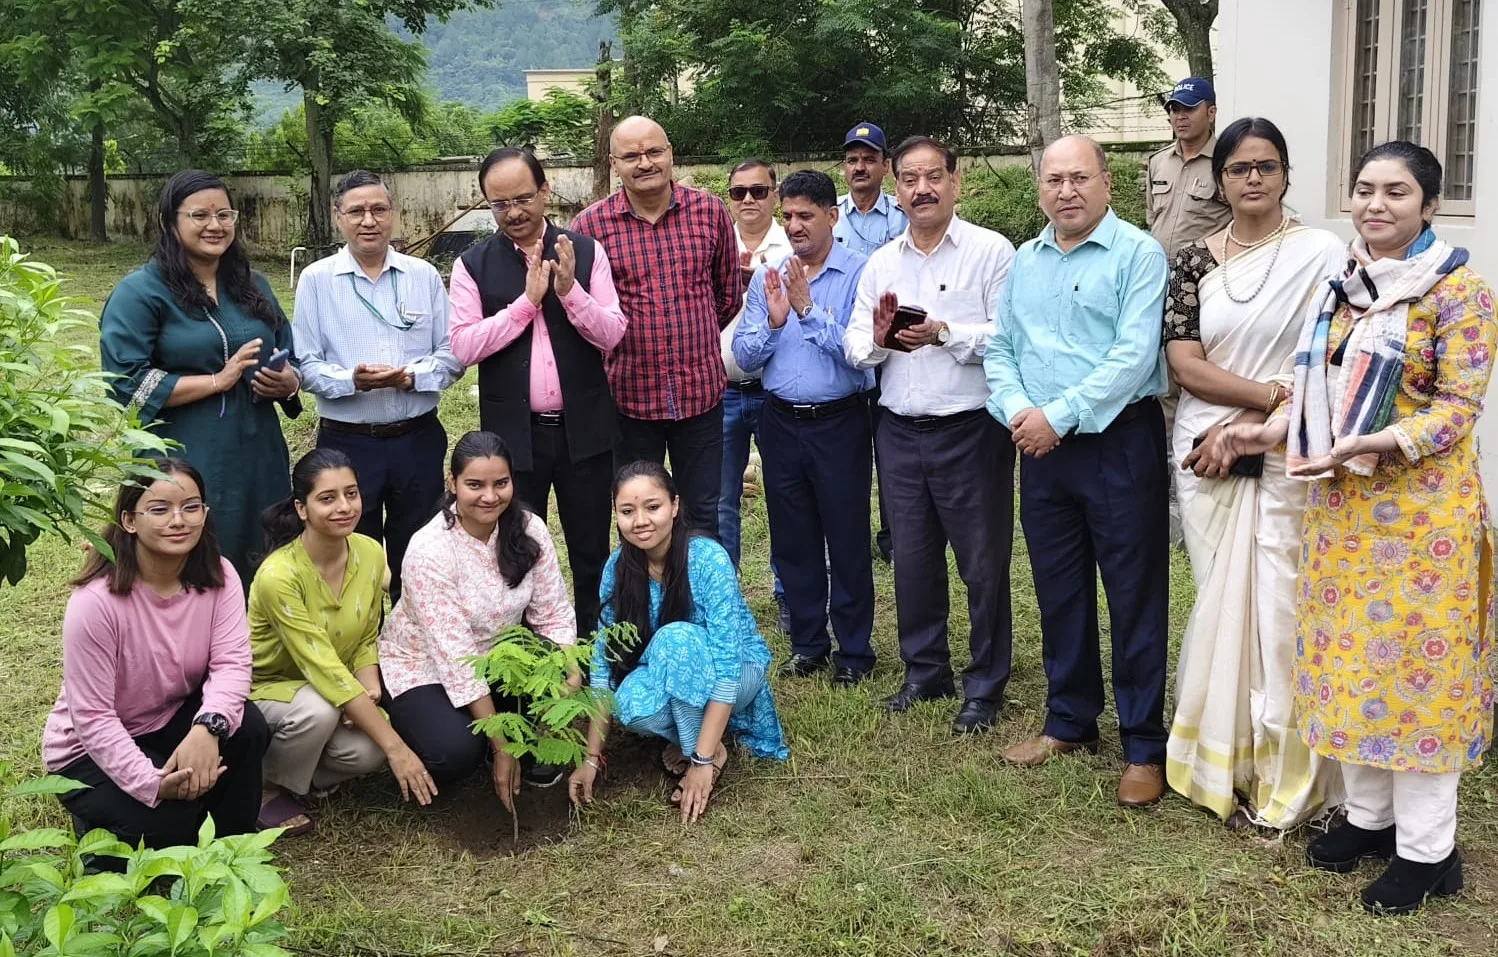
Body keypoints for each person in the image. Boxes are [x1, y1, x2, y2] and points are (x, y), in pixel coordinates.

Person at [1222, 142, 1495, 915]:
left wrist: (1381, 440)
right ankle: (1372, 818)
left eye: (1396, 192)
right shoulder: (1345, 286)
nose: (1376, 204)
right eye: (1366, 189)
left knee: (1418, 681)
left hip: (1424, 524)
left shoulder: (1459, 291)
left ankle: (1430, 851)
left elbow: (1458, 408)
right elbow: (1321, 386)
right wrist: (1271, 427)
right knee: (1352, 666)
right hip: (1344, 517)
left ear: (1429, 205)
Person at [1162, 117, 1347, 828]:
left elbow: (1333, 357)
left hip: (1289, 442)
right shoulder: (1192, 260)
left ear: (1286, 175)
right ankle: (1223, 760)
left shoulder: (1323, 254)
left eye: (1266, 166)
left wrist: (1263, 414)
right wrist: (1256, 403)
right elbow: (1185, 363)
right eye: (1239, 168)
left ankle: (1285, 767)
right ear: (1220, 180)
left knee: (1279, 607)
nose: (1253, 179)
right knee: (1219, 597)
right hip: (1204, 445)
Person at [986, 135, 1170, 806]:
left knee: (1134, 593)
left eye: (1079, 178)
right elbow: (1000, 347)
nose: (1066, 191)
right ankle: (1070, 719)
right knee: (1058, 587)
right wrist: (1019, 411)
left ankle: (1143, 743)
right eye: (1054, 179)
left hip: (1117, 441)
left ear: (1106, 183)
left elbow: (1132, 356)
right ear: (1040, 187)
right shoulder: (1025, 261)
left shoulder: (1138, 254)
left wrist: (1058, 415)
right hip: (1040, 447)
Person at [844, 136, 1016, 735]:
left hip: (972, 428)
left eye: (934, 177)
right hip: (898, 430)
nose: (922, 189)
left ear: (955, 181)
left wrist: (944, 333)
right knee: (912, 559)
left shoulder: (991, 252)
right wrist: (879, 341)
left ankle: (985, 682)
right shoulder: (881, 263)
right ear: (896, 189)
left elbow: (1009, 338)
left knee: (983, 564)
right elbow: (854, 343)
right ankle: (925, 671)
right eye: (910, 179)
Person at [42, 459, 269, 849]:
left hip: (166, 719)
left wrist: (208, 728)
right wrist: (152, 783)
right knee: (172, 824)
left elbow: (232, 663)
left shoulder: (220, 575)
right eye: (160, 509)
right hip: (86, 751)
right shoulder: (95, 602)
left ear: (205, 513)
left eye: (191, 507)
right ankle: (96, 825)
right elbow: (93, 717)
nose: (178, 520)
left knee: (247, 726)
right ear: (130, 520)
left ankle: (235, 847)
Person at [450, 148, 626, 638]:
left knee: (591, 549)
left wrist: (570, 293)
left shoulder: (585, 251)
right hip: (513, 437)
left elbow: (613, 333)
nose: (514, 212)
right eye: (500, 204)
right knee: (516, 551)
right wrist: (526, 305)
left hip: (583, 432)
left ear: (545, 191)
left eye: (524, 199)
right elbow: (463, 345)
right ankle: (527, 656)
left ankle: (594, 649)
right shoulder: (473, 265)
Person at [99, 170, 302, 585]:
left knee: (267, 556)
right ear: (169, 222)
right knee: (195, 559)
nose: (215, 225)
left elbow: (290, 350)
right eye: (200, 215)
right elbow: (125, 381)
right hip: (184, 455)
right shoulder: (141, 292)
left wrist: (289, 382)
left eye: (224, 214)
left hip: (259, 452)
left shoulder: (252, 285)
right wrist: (216, 381)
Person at [567, 461, 788, 823]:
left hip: (737, 671)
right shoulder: (617, 569)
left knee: (675, 639)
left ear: (675, 505)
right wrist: (591, 759)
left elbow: (729, 665)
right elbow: (603, 666)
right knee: (629, 705)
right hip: (668, 672)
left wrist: (700, 762)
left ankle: (703, 753)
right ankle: (706, 740)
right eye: (627, 511)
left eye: (652, 507)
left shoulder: (708, 559)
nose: (640, 521)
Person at [379, 431, 579, 804]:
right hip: (426, 664)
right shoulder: (429, 550)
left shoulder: (530, 529)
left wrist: (569, 669)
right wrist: (500, 744)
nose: (490, 496)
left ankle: (516, 735)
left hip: (501, 656)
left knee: (551, 667)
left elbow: (553, 614)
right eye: (475, 485)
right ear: (452, 483)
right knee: (455, 752)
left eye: (500, 483)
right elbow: (455, 658)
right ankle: (418, 728)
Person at [292, 170, 463, 603]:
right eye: (356, 211)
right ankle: (360, 639)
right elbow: (305, 365)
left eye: (378, 209)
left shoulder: (423, 275)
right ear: (338, 217)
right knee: (349, 555)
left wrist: (412, 377)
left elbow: (453, 353)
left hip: (416, 438)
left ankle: (414, 638)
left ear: (393, 213)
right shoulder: (317, 280)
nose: (368, 220)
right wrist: (351, 380)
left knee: (421, 553)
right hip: (347, 444)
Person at [249, 449, 437, 836]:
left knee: (368, 752)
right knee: (320, 712)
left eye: (351, 494)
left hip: (330, 687)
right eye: (327, 498)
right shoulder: (279, 576)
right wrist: (398, 749)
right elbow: (323, 668)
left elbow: (366, 634)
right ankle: (264, 788)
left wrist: (369, 685)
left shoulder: (369, 552)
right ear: (301, 509)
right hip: (267, 691)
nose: (344, 507)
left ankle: (301, 772)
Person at [733, 170, 874, 685]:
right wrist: (774, 323)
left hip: (840, 422)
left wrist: (807, 311)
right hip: (780, 421)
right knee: (793, 538)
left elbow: (862, 354)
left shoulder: (860, 272)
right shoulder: (767, 276)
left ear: (832, 216)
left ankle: (854, 651)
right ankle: (809, 643)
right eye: (788, 215)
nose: (794, 225)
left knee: (847, 535)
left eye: (805, 216)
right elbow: (744, 354)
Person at [571, 116, 743, 534]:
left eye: (653, 152)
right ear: (614, 164)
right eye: (632, 156)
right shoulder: (590, 227)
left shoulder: (709, 211)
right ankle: (642, 582)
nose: (645, 163)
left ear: (670, 154)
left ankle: (697, 580)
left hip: (700, 396)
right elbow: (584, 313)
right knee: (638, 517)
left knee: (702, 514)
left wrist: (694, 336)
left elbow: (727, 297)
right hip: (629, 400)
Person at [720, 158, 792, 631]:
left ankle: (789, 593)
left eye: (759, 190)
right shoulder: (714, 244)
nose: (748, 199)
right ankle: (724, 598)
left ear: (775, 195)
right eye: (739, 192)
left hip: (773, 391)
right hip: (720, 391)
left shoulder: (791, 247)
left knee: (785, 497)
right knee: (720, 501)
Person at [834, 121, 908, 564]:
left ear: (885, 166)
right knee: (849, 450)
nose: (859, 167)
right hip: (843, 348)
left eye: (868, 159)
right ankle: (850, 534)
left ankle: (894, 536)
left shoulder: (902, 216)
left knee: (891, 448)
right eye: (852, 160)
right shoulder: (830, 215)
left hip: (893, 348)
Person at [1146, 78, 1233, 259]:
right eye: (1175, 109)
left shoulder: (1228, 163)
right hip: (1157, 267)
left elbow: (1243, 223)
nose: (1180, 117)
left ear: (1211, 113)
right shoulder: (1158, 161)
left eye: (1189, 109)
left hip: (1206, 271)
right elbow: (1152, 217)